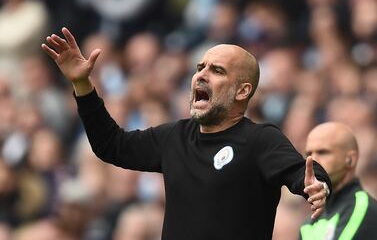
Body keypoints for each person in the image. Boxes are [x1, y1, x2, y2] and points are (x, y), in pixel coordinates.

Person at [41, 27, 331, 240]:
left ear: (242, 91)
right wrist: (82, 84)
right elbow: (111, 145)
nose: (201, 75)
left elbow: (304, 174)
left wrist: (317, 185)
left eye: (217, 70)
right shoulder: (174, 137)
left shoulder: (260, 140)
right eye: (199, 67)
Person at [300, 122, 377, 240]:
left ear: (350, 159)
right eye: (309, 154)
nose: (312, 160)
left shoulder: (364, 209)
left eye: (323, 152)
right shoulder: (307, 225)